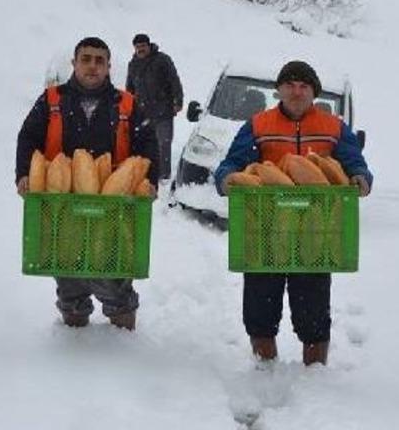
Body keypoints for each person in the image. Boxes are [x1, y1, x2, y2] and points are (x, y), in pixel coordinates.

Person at [213, 61, 373, 365]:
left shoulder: (333, 127)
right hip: (265, 228)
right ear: (279, 90)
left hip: (317, 230)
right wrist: (226, 179)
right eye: (290, 85)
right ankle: (264, 371)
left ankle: (314, 376)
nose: (297, 91)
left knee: (313, 312)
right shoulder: (258, 125)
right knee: (260, 310)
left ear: (314, 92)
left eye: (304, 86)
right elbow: (232, 163)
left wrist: (361, 178)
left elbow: (355, 162)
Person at [15, 37, 159, 331]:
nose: (92, 66)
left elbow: (148, 145)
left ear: (108, 67)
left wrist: (150, 181)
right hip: (61, 206)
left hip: (114, 208)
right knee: (69, 282)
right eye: (86, 59)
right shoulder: (52, 100)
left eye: (99, 60)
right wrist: (23, 174)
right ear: (74, 63)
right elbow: (28, 137)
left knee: (116, 282)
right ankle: (74, 339)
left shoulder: (127, 104)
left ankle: (125, 342)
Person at [125, 33, 183, 182]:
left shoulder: (162, 60)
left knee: (164, 143)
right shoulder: (133, 64)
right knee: (144, 144)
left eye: (143, 46)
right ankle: (148, 172)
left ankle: (163, 176)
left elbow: (174, 81)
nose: (140, 49)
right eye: (137, 47)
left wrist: (178, 101)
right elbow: (129, 88)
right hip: (142, 112)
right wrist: (128, 105)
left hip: (163, 110)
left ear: (149, 46)